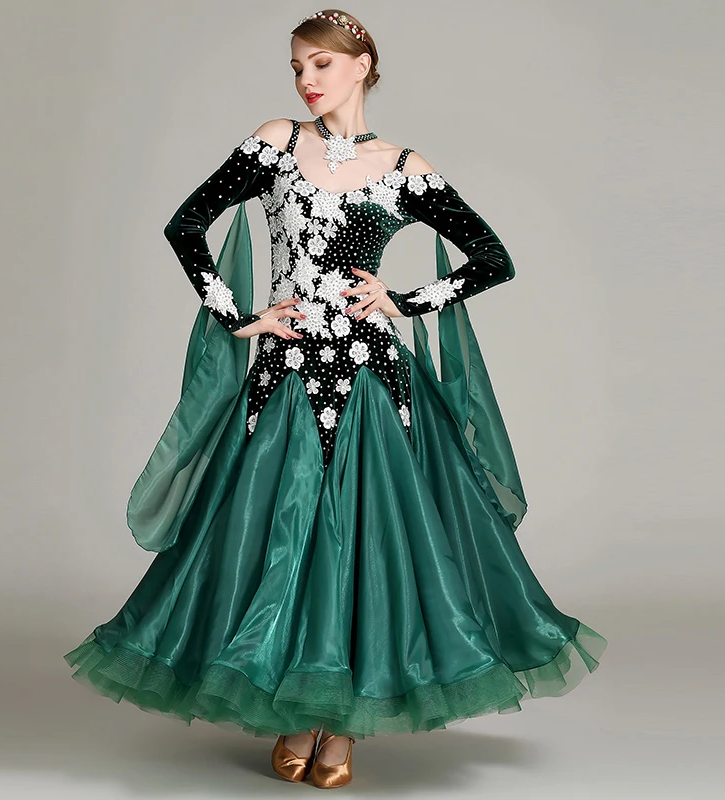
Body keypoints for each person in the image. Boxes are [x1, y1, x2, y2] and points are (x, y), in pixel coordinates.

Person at [63, 8, 607, 789]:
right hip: (284, 375)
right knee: (282, 537)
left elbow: (492, 259)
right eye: (296, 66)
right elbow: (187, 225)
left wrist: (405, 301)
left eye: (320, 63)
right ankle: (294, 708)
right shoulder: (276, 143)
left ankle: (344, 723)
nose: (306, 80)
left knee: (368, 545)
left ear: (363, 65)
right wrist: (237, 315)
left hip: (374, 381)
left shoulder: (403, 166)